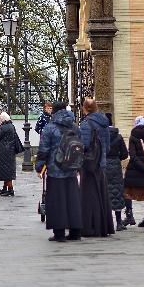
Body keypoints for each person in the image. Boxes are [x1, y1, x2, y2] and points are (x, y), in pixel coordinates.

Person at [36, 101, 83, 241]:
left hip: (55, 169)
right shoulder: (75, 127)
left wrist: (39, 167)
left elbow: (43, 149)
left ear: (54, 111)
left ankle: (59, 233)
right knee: (73, 200)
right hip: (72, 169)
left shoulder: (50, 128)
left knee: (57, 201)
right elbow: (81, 146)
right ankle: (75, 232)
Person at [78, 98, 114, 237]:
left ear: (85, 108)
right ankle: (103, 227)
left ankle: (90, 227)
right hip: (101, 163)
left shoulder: (86, 124)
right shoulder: (104, 123)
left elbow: (84, 145)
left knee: (89, 196)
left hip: (89, 164)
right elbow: (108, 146)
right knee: (101, 195)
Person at [104, 114, 133, 230]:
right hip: (116, 166)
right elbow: (125, 154)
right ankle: (119, 222)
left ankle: (106, 223)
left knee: (105, 192)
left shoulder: (101, 136)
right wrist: (117, 158)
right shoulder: (118, 136)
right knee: (117, 193)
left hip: (104, 165)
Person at [0, 111, 23, 197]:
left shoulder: (3, 127)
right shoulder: (11, 126)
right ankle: (5, 188)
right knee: (8, 170)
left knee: (6, 171)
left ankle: (10, 189)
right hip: (10, 151)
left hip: (3, 151)